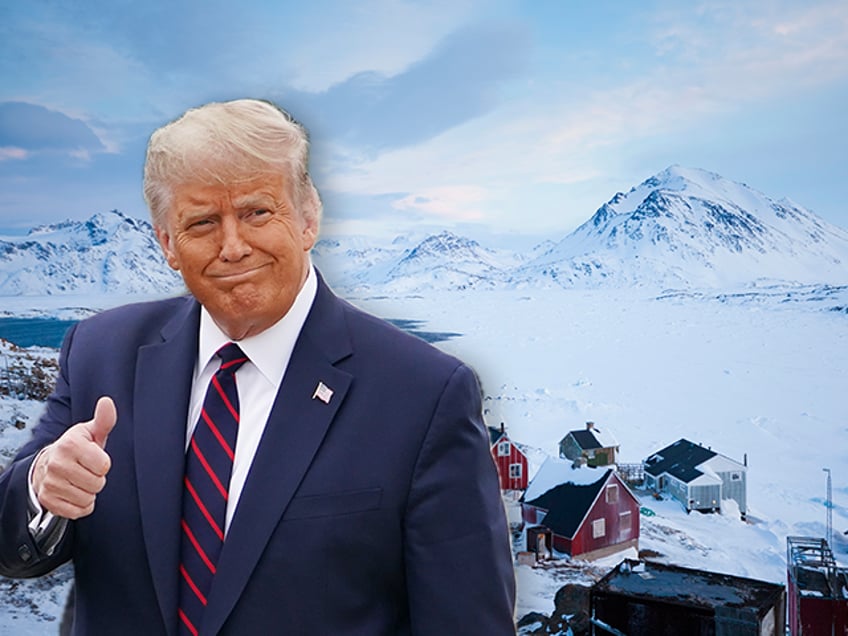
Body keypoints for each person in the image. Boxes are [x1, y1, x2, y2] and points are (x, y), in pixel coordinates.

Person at [0, 99, 516, 635]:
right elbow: (11, 547)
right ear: (168, 245)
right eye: (202, 222)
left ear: (308, 217)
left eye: (257, 212)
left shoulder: (423, 394)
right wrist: (43, 488)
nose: (232, 246)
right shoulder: (100, 353)